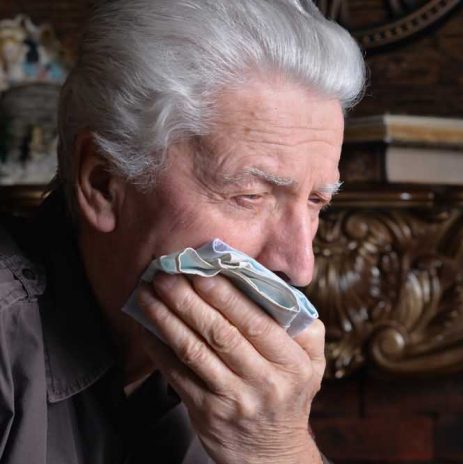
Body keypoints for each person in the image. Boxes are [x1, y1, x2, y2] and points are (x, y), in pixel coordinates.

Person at [0, 0, 365, 462]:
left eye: (316, 202)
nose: (299, 267)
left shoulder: (249, 394)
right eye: (250, 196)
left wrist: (278, 448)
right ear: (104, 183)